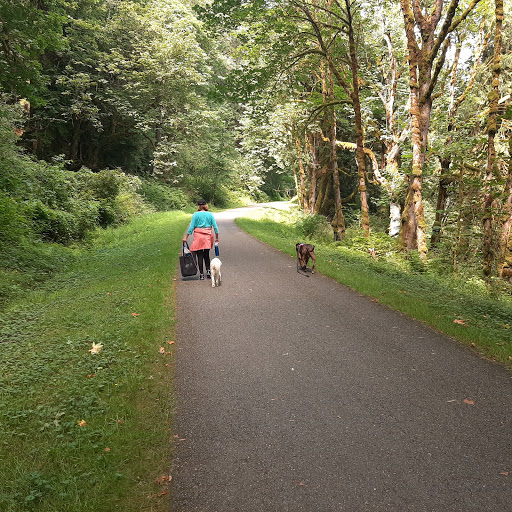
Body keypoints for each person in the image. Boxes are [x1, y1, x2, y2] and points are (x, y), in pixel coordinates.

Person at [182, 199, 219, 280]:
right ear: (206, 205)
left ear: (198, 206)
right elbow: (215, 227)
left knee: (199, 255)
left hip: (198, 237)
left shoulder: (195, 214)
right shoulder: (210, 214)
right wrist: (217, 238)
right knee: (206, 254)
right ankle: (208, 271)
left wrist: (186, 237)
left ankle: (201, 275)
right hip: (208, 237)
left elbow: (191, 227)